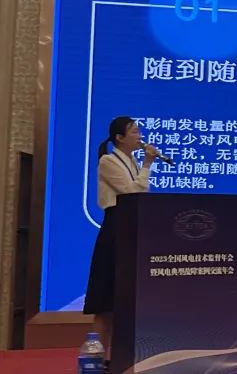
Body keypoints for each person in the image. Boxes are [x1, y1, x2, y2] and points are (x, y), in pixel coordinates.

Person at [83, 116, 159, 367]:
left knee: (124, 300)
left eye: (139, 131)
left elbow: (140, 194)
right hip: (115, 229)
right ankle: (96, 359)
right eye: (134, 132)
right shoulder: (108, 161)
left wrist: (143, 165)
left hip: (131, 227)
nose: (140, 136)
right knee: (106, 300)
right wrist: (148, 163)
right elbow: (131, 192)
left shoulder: (132, 162)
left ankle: (119, 359)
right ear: (119, 138)